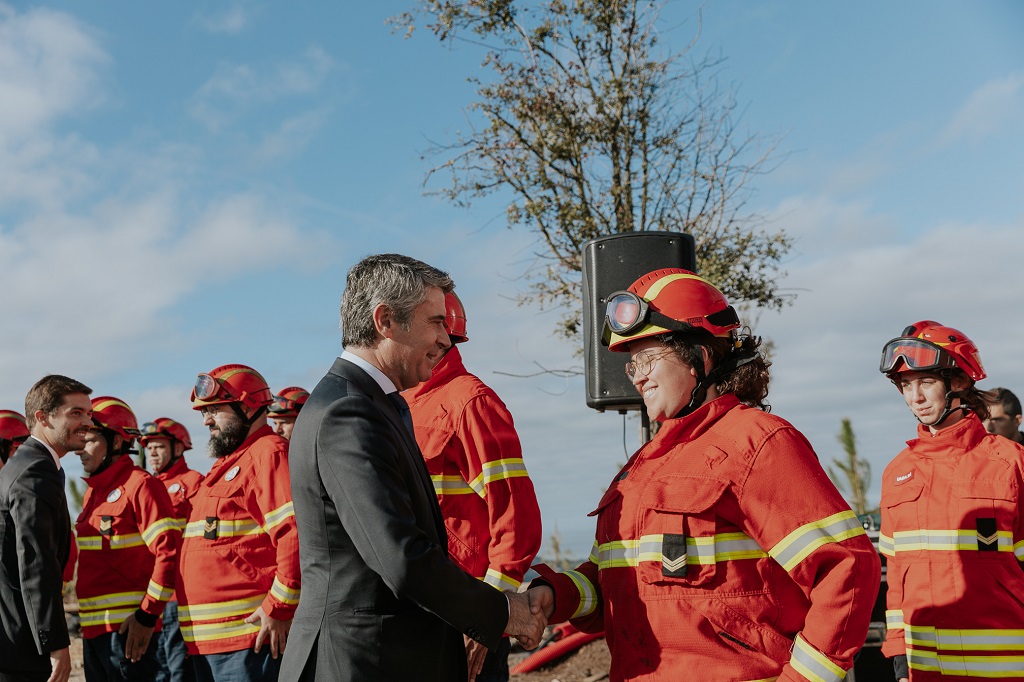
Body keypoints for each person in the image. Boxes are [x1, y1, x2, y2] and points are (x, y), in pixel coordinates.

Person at [527, 268, 880, 681]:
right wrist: (555, 597)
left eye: (649, 356)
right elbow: (615, 579)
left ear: (701, 356)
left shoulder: (758, 443)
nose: (638, 374)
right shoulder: (640, 467)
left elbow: (847, 570)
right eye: (632, 363)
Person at [280, 253, 546, 682]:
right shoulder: (350, 412)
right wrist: (499, 612)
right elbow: (400, 559)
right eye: (436, 322)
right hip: (363, 660)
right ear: (385, 321)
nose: (447, 338)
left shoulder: (374, 405)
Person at [404, 290, 542, 682]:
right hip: (414, 616)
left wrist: (485, 617)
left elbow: (517, 520)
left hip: (460, 621)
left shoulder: (470, 402)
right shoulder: (396, 404)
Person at [878, 321, 1024, 681]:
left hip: (1007, 668)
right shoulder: (896, 473)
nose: (916, 398)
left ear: (958, 382)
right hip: (924, 670)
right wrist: (899, 655)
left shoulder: (1012, 463)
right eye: (906, 386)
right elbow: (897, 576)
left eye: (926, 382)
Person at [176, 364, 300, 682]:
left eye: (214, 410)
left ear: (247, 406)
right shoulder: (230, 463)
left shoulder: (268, 455)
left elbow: (295, 535)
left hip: (249, 642)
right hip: (211, 645)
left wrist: (279, 607)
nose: (206, 420)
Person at [75, 396, 181, 681]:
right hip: (95, 632)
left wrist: (147, 616)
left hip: (130, 632)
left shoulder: (141, 485)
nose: (79, 448)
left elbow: (169, 554)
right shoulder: (92, 493)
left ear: (117, 442)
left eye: (89, 439)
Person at [0, 375, 92, 682]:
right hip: (22, 649)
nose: (87, 423)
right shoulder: (34, 470)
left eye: (88, 414)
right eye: (75, 413)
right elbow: (35, 562)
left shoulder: (34, 465)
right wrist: (54, 642)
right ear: (42, 417)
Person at [140, 418, 203, 682]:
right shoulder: (145, 486)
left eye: (159, 446)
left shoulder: (195, 482)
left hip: (180, 596)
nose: (152, 452)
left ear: (178, 448)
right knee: (158, 670)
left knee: (179, 669)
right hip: (151, 596)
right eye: (149, 447)